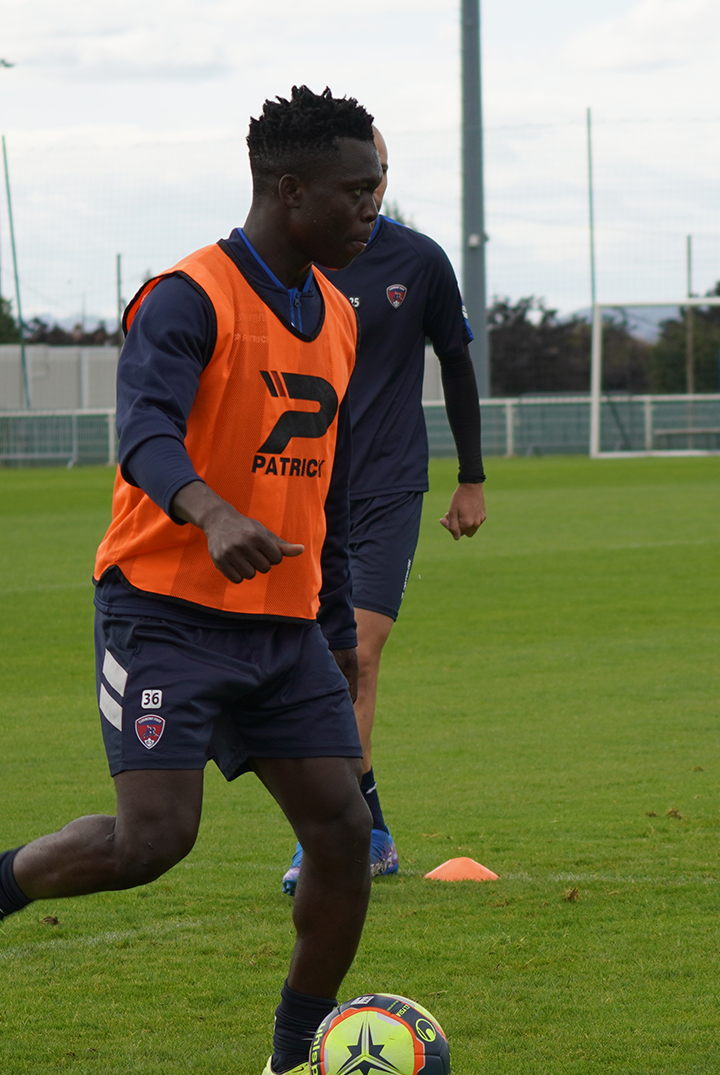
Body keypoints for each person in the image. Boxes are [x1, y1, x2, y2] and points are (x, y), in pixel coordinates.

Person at [0, 85, 383, 1075]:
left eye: (378, 189)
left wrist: (337, 625)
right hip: (164, 612)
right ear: (287, 187)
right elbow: (142, 435)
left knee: (344, 833)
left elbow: (330, 489)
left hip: (282, 626)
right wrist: (212, 514)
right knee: (154, 842)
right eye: (357, 191)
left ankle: (290, 1064)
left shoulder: (342, 317)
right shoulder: (188, 295)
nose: (372, 211)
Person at [280, 125, 487, 895]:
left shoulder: (419, 260)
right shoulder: (291, 266)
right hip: (301, 490)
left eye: (381, 179)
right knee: (304, 664)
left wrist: (472, 478)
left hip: (389, 488)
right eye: (359, 182)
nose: (372, 195)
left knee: (356, 657)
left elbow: (456, 363)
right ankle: (368, 825)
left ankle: (340, 839)